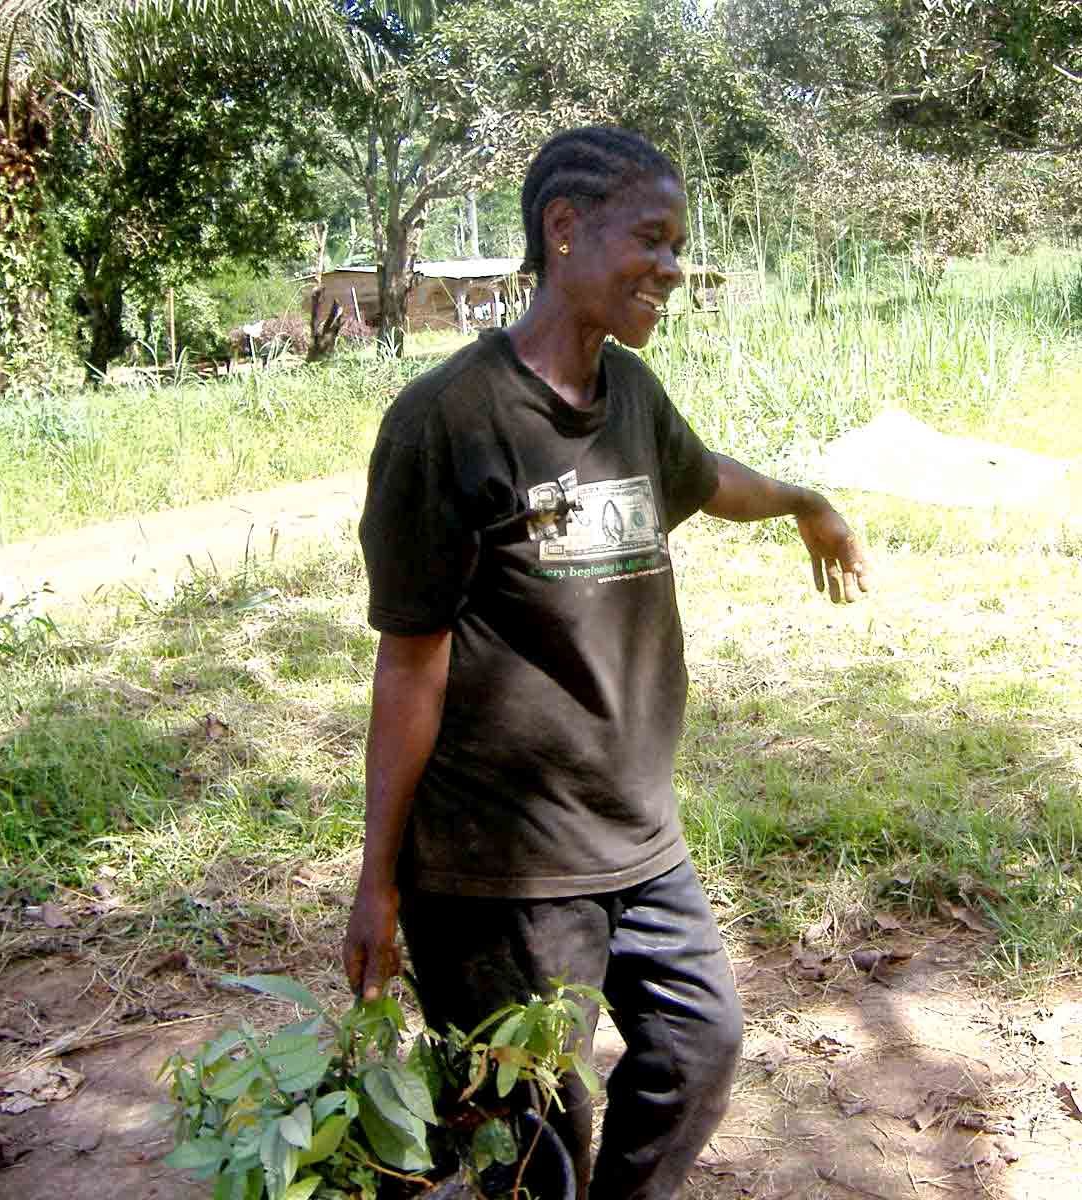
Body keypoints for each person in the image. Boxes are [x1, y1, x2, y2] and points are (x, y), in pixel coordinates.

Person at [344, 126, 869, 1200]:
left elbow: (698, 475)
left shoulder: (628, 394)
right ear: (565, 228)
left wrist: (803, 503)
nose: (672, 268)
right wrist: (377, 884)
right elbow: (409, 665)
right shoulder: (447, 422)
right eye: (654, 239)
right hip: (501, 866)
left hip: (637, 836)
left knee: (697, 1049)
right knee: (534, 1134)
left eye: (679, 246)